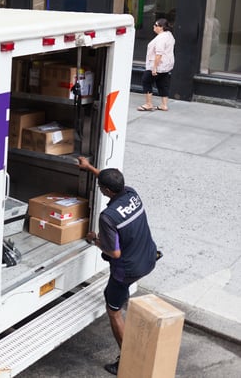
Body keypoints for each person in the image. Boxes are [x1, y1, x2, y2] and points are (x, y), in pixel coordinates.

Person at [77, 157, 158, 376]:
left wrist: (94, 239)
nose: (100, 190)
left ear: (106, 191)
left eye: (101, 187)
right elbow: (108, 179)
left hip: (127, 269)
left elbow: (114, 252)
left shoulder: (108, 217)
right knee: (117, 298)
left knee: (113, 311)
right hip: (148, 257)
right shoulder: (132, 194)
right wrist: (90, 168)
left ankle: (127, 361)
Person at [138, 18, 175, 111]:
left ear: (161, 27)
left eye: (156, 25)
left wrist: (154, 68)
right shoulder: (169, 35)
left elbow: (159, 54)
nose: (153, 26)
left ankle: (149, 104)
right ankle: (164, 104)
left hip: (157, 65)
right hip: (166, 66)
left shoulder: (161, 38)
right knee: (163, 83)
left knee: (146, 81)